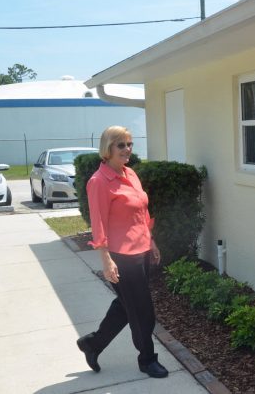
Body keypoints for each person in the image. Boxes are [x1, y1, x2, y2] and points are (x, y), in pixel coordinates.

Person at [76, 125, 168, 378]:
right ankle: (147, 359)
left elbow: (141, 212)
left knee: (127, 305)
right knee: (142, 311)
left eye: (129, 144)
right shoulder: (99, 182)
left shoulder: (131, 174)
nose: (127, 150)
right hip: (121, 256)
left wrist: (152, 241)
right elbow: (99, 223)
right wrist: (106, 260)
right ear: (108, 149)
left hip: (142, 250)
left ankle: (92, 344)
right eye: (121, 145)